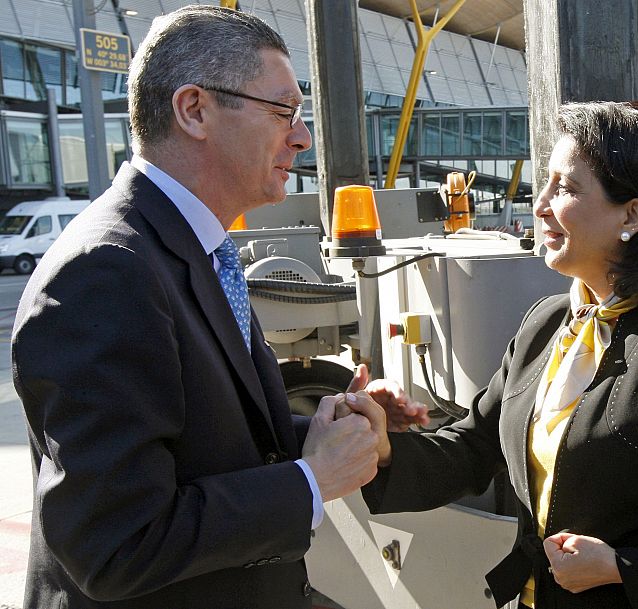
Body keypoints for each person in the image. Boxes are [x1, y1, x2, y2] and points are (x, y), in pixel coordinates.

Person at [11, 6, 406, 608]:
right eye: (283, 111)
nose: (301, 137)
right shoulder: (106, 272)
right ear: (194, 110)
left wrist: (324, 432)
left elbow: (200, 444)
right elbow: (116, 543)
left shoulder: (187, 248)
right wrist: (310, 479)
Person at [358, 101, 638, 609]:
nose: (540, 204)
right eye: (545, 183)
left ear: (632, 215)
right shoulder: (547, 323)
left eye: (565, 188)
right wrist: (383, 447)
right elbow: (475, 446)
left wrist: (622, 568)